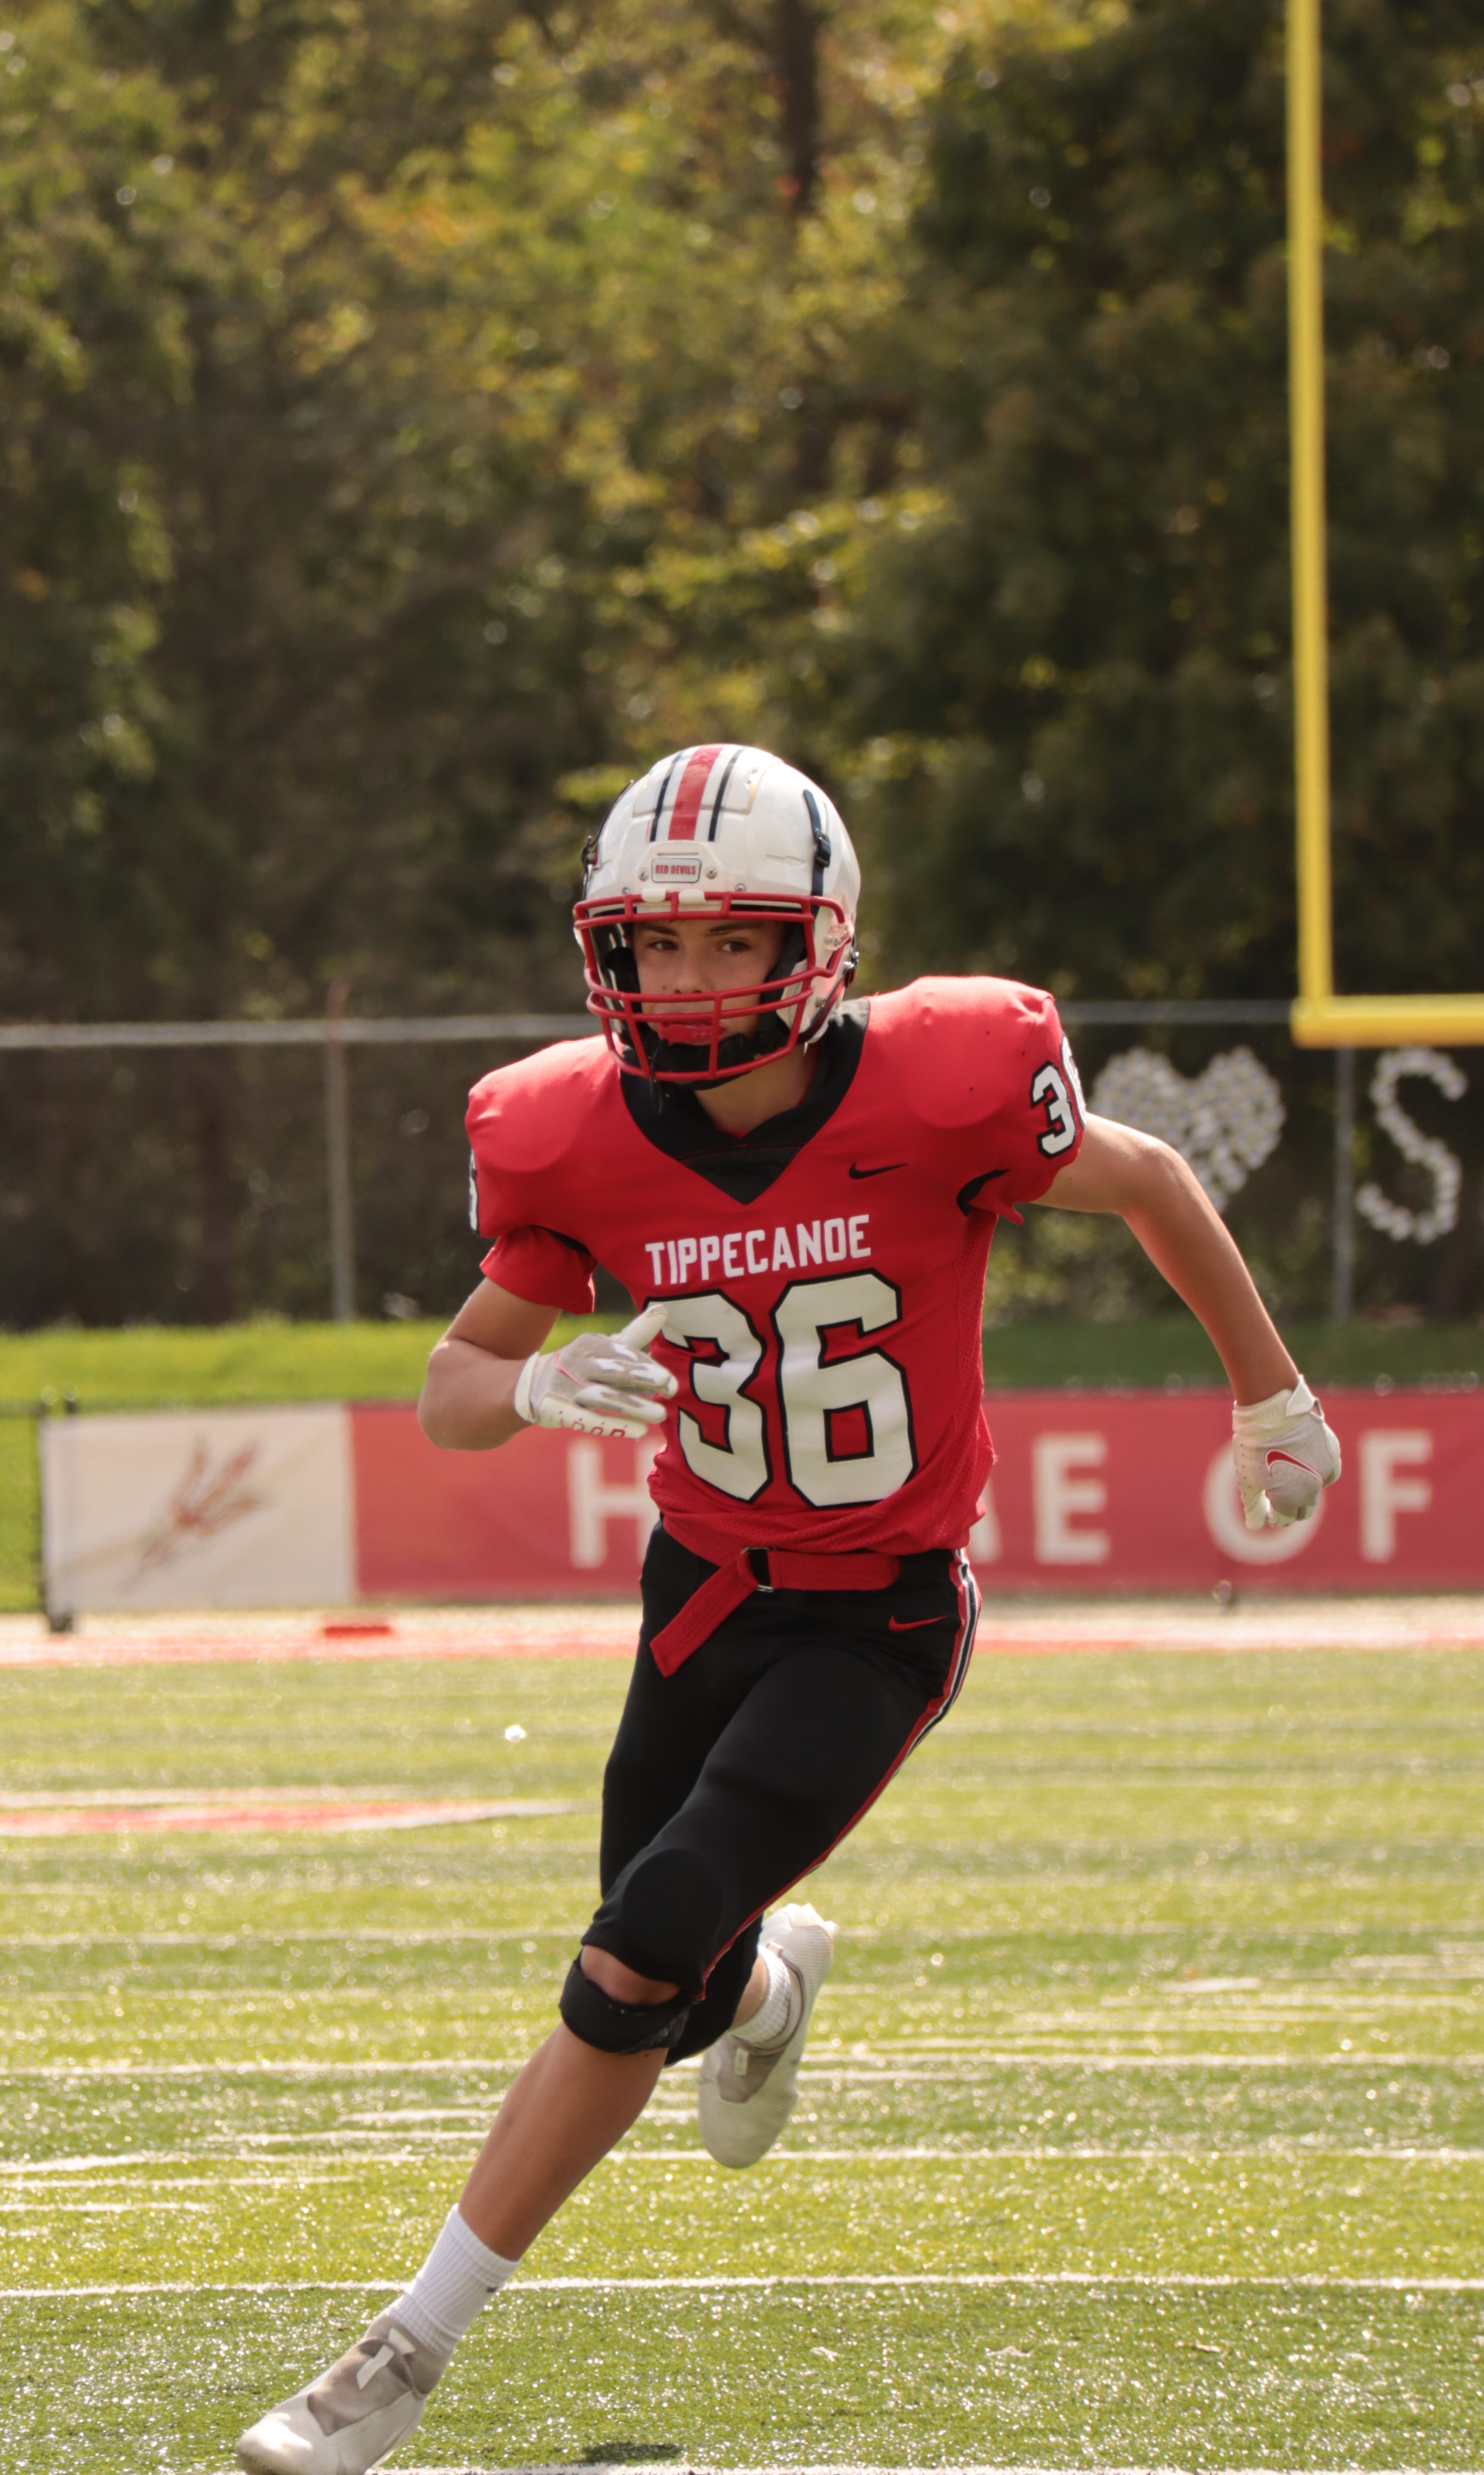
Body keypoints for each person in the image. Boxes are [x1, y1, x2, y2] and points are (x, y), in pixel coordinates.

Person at [237, 742, 1341, 2475]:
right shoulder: (575, 1134)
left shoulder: (946, 1082)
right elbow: (450, 1384)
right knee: (672, 1989)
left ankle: (396, 2361)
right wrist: (532, 1386)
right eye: (656, 945)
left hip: (878, 1616)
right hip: (700, 1600)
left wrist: (1270, 1395)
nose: (686, 981)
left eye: (728, 941)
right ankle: (761, 1997)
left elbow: (1146, 1180)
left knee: (633, 1948)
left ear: (815, 942)